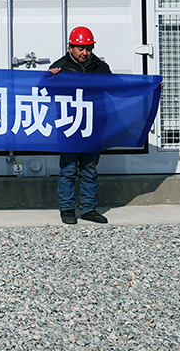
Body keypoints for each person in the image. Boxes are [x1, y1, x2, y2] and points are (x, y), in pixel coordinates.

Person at [49, 26, 113, 225]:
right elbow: (42, 91)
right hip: (69, 126)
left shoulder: (100, 67)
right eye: (81, 48)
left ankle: (88, 209)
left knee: (89, 169)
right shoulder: (60, 67)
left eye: (89, 48)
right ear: (71, 48)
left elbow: (119, 87)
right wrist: (49, 78)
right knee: (68, 170)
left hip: (93, 126)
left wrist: (150, 86)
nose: (85, 53)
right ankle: (67, 209)